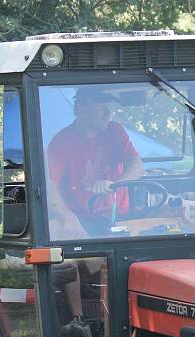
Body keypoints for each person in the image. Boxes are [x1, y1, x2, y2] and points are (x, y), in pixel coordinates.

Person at [46, 87, 145, 237]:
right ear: (80, 109)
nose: (107, 112)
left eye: (107, 107)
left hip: (125, 217)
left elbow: (137, 165)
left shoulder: (115, 131)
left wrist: (114, 185)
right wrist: (69, 220)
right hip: (84, 222)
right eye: (100, 106)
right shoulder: (62, 141)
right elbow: (49, 186)